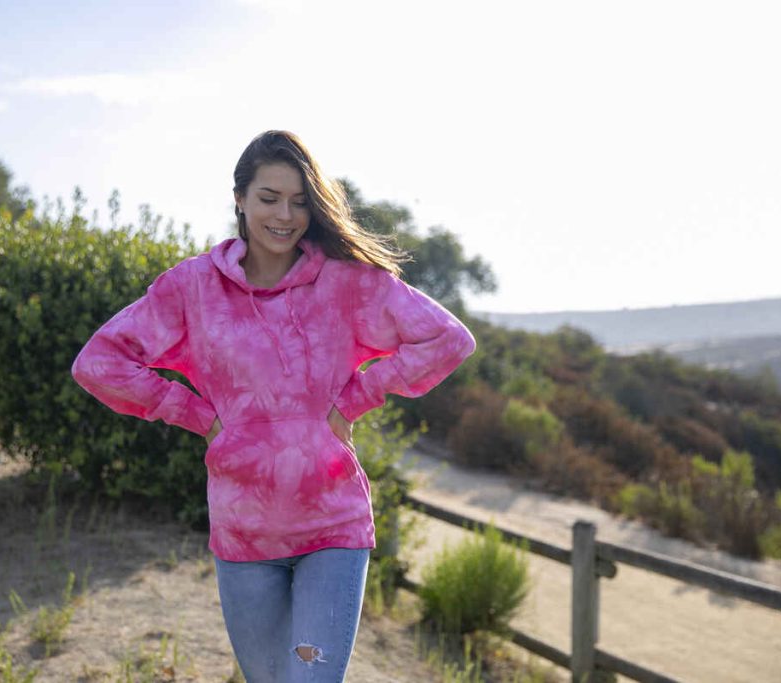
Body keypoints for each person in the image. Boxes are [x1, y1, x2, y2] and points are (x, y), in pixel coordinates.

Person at [70, 130, 476, 682]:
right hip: (244, 529)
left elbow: (448, 339)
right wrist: (196, 415)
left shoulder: (346, 281)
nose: (285, 215)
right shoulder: (193, 287)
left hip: (333, 524)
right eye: (269, 198)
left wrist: (357, 398)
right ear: (239, 198)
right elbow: (99, 362)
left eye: (300, 201)